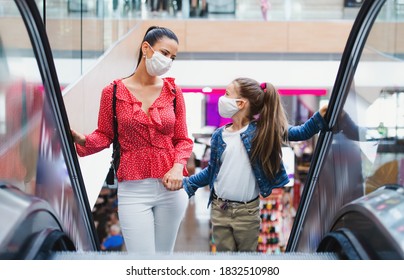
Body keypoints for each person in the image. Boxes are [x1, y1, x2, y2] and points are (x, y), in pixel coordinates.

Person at [71, 26, 194, 253]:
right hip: (134, 190)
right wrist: (82, 139)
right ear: (146, 48)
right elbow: (105, 134)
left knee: (164, 259)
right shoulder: (113, 91)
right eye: (165, 53)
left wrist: (178, 168)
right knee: (142, 261)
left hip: (171, 189)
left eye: (173, 57)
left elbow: (183, 139)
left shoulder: (174, 91)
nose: (168, 61)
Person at [178, 77, 328, 252]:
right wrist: (189, 183)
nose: (222, 98)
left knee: (245, 262)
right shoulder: (219, 135)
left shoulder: (262, 132)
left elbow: (300, 132)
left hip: (247, 213)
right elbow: (212, 171)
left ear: (240, 103)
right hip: (220, 210)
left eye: (227, 94)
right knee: (224, 261)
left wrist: (320, 116)